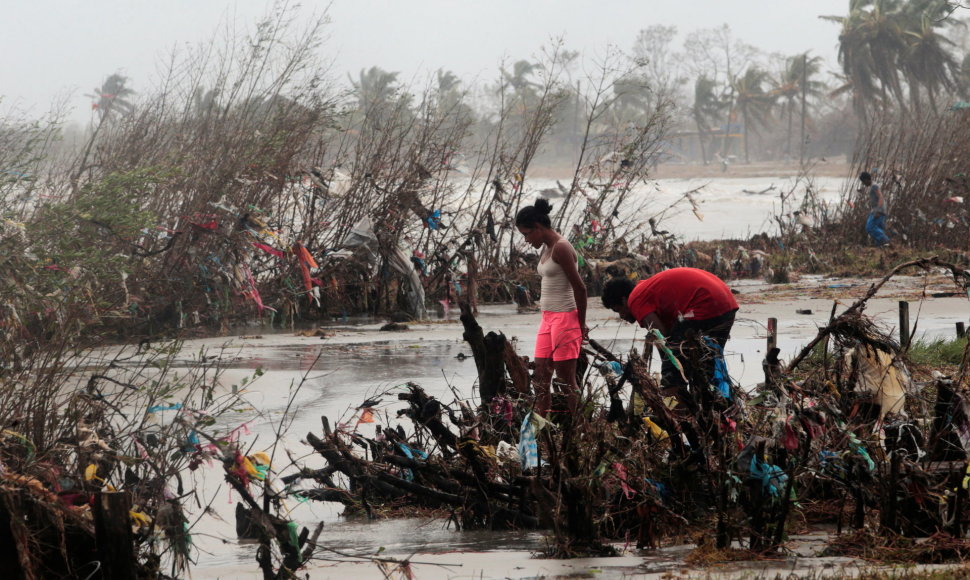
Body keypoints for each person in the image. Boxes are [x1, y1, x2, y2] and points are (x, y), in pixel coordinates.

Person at [601, 268, 738, 392]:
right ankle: (713, 410)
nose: (622, 316)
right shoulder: (645, 289)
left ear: (625, 300)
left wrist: (667, 368)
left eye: (618, 310)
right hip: (726, 303)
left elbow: (662, 338)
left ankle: (678, 411)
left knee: (673, 376)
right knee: (706, 366)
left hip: (704, 302)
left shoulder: (635, 299)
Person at [516, 198, 588, 416]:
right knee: (540, 375)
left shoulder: (562, 248)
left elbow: (580, 289)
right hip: (548, 319)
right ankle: (542, 427)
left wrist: (581, 323)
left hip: (566, 318)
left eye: (527, 234)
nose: (526, 240)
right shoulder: (546, 248)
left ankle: (580, 427)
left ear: (538, 228)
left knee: (566, 381)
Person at [859, 171, 890, 247]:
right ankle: (881, 248)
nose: (863, 184)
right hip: (881, 211)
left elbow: (881, 197)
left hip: (878, 211)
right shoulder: (874, 186)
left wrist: (878, 211)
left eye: (863, 181)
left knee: (869, 227)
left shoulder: (874, 186)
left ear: (866, 179)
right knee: (879, 228)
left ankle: (886, 241)